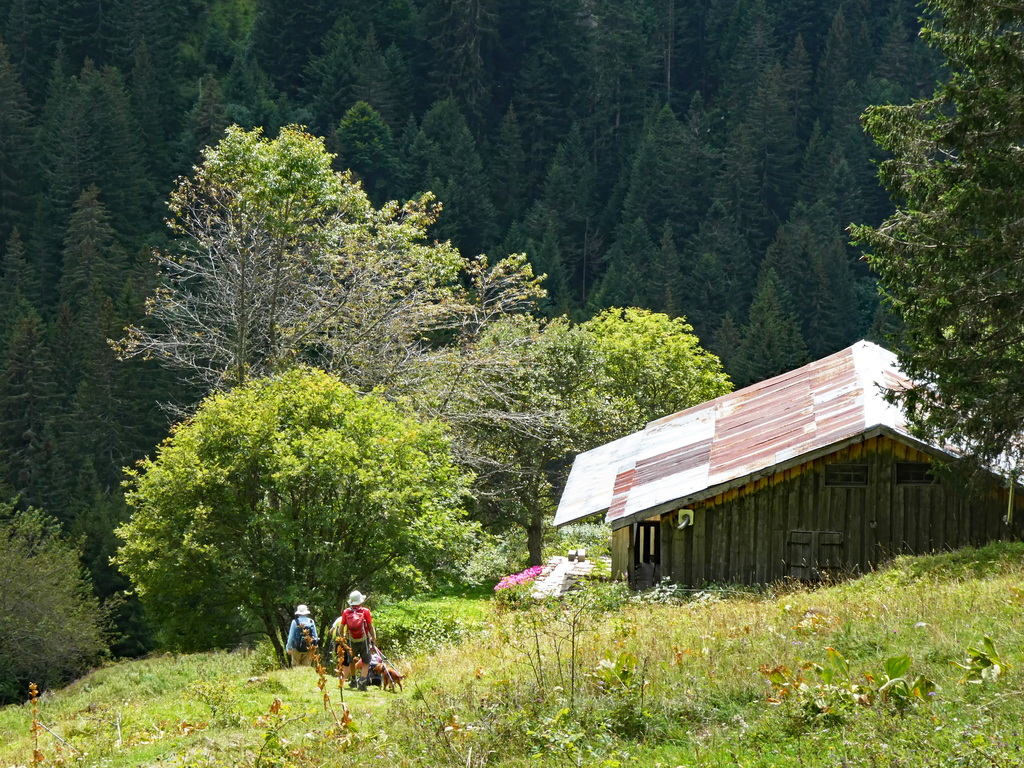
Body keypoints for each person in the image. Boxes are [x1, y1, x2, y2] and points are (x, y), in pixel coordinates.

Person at [329, 590, 376, 690]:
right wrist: (373, 637)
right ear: (360, 601)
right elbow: (370, 627)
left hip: (351, 640)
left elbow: (341, 628)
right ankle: (362, 682)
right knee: (366, 661)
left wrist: (343, 639)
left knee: (351, 661)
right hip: (364, 639)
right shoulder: (365, 611)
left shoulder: (346, 612)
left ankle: (353, 680)